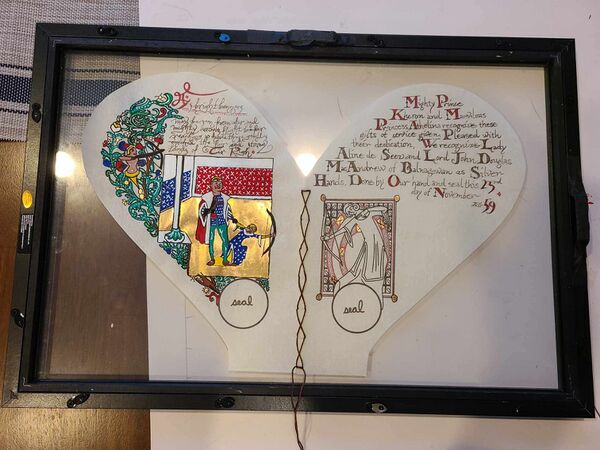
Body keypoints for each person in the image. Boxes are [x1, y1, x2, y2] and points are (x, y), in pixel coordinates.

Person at [195, 176, 237, 266]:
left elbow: (227, 210)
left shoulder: (224, 198)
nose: (218, 185)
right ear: (211, 185)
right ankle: (212, 259)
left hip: (222, 221)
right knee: (211, 240)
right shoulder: (206, 198)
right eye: (215, 183)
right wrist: (208, 212)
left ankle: (225, 260)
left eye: (219, 183)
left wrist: (232, 218)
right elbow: (202, 211)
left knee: (225, 240)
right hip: (211, 222)